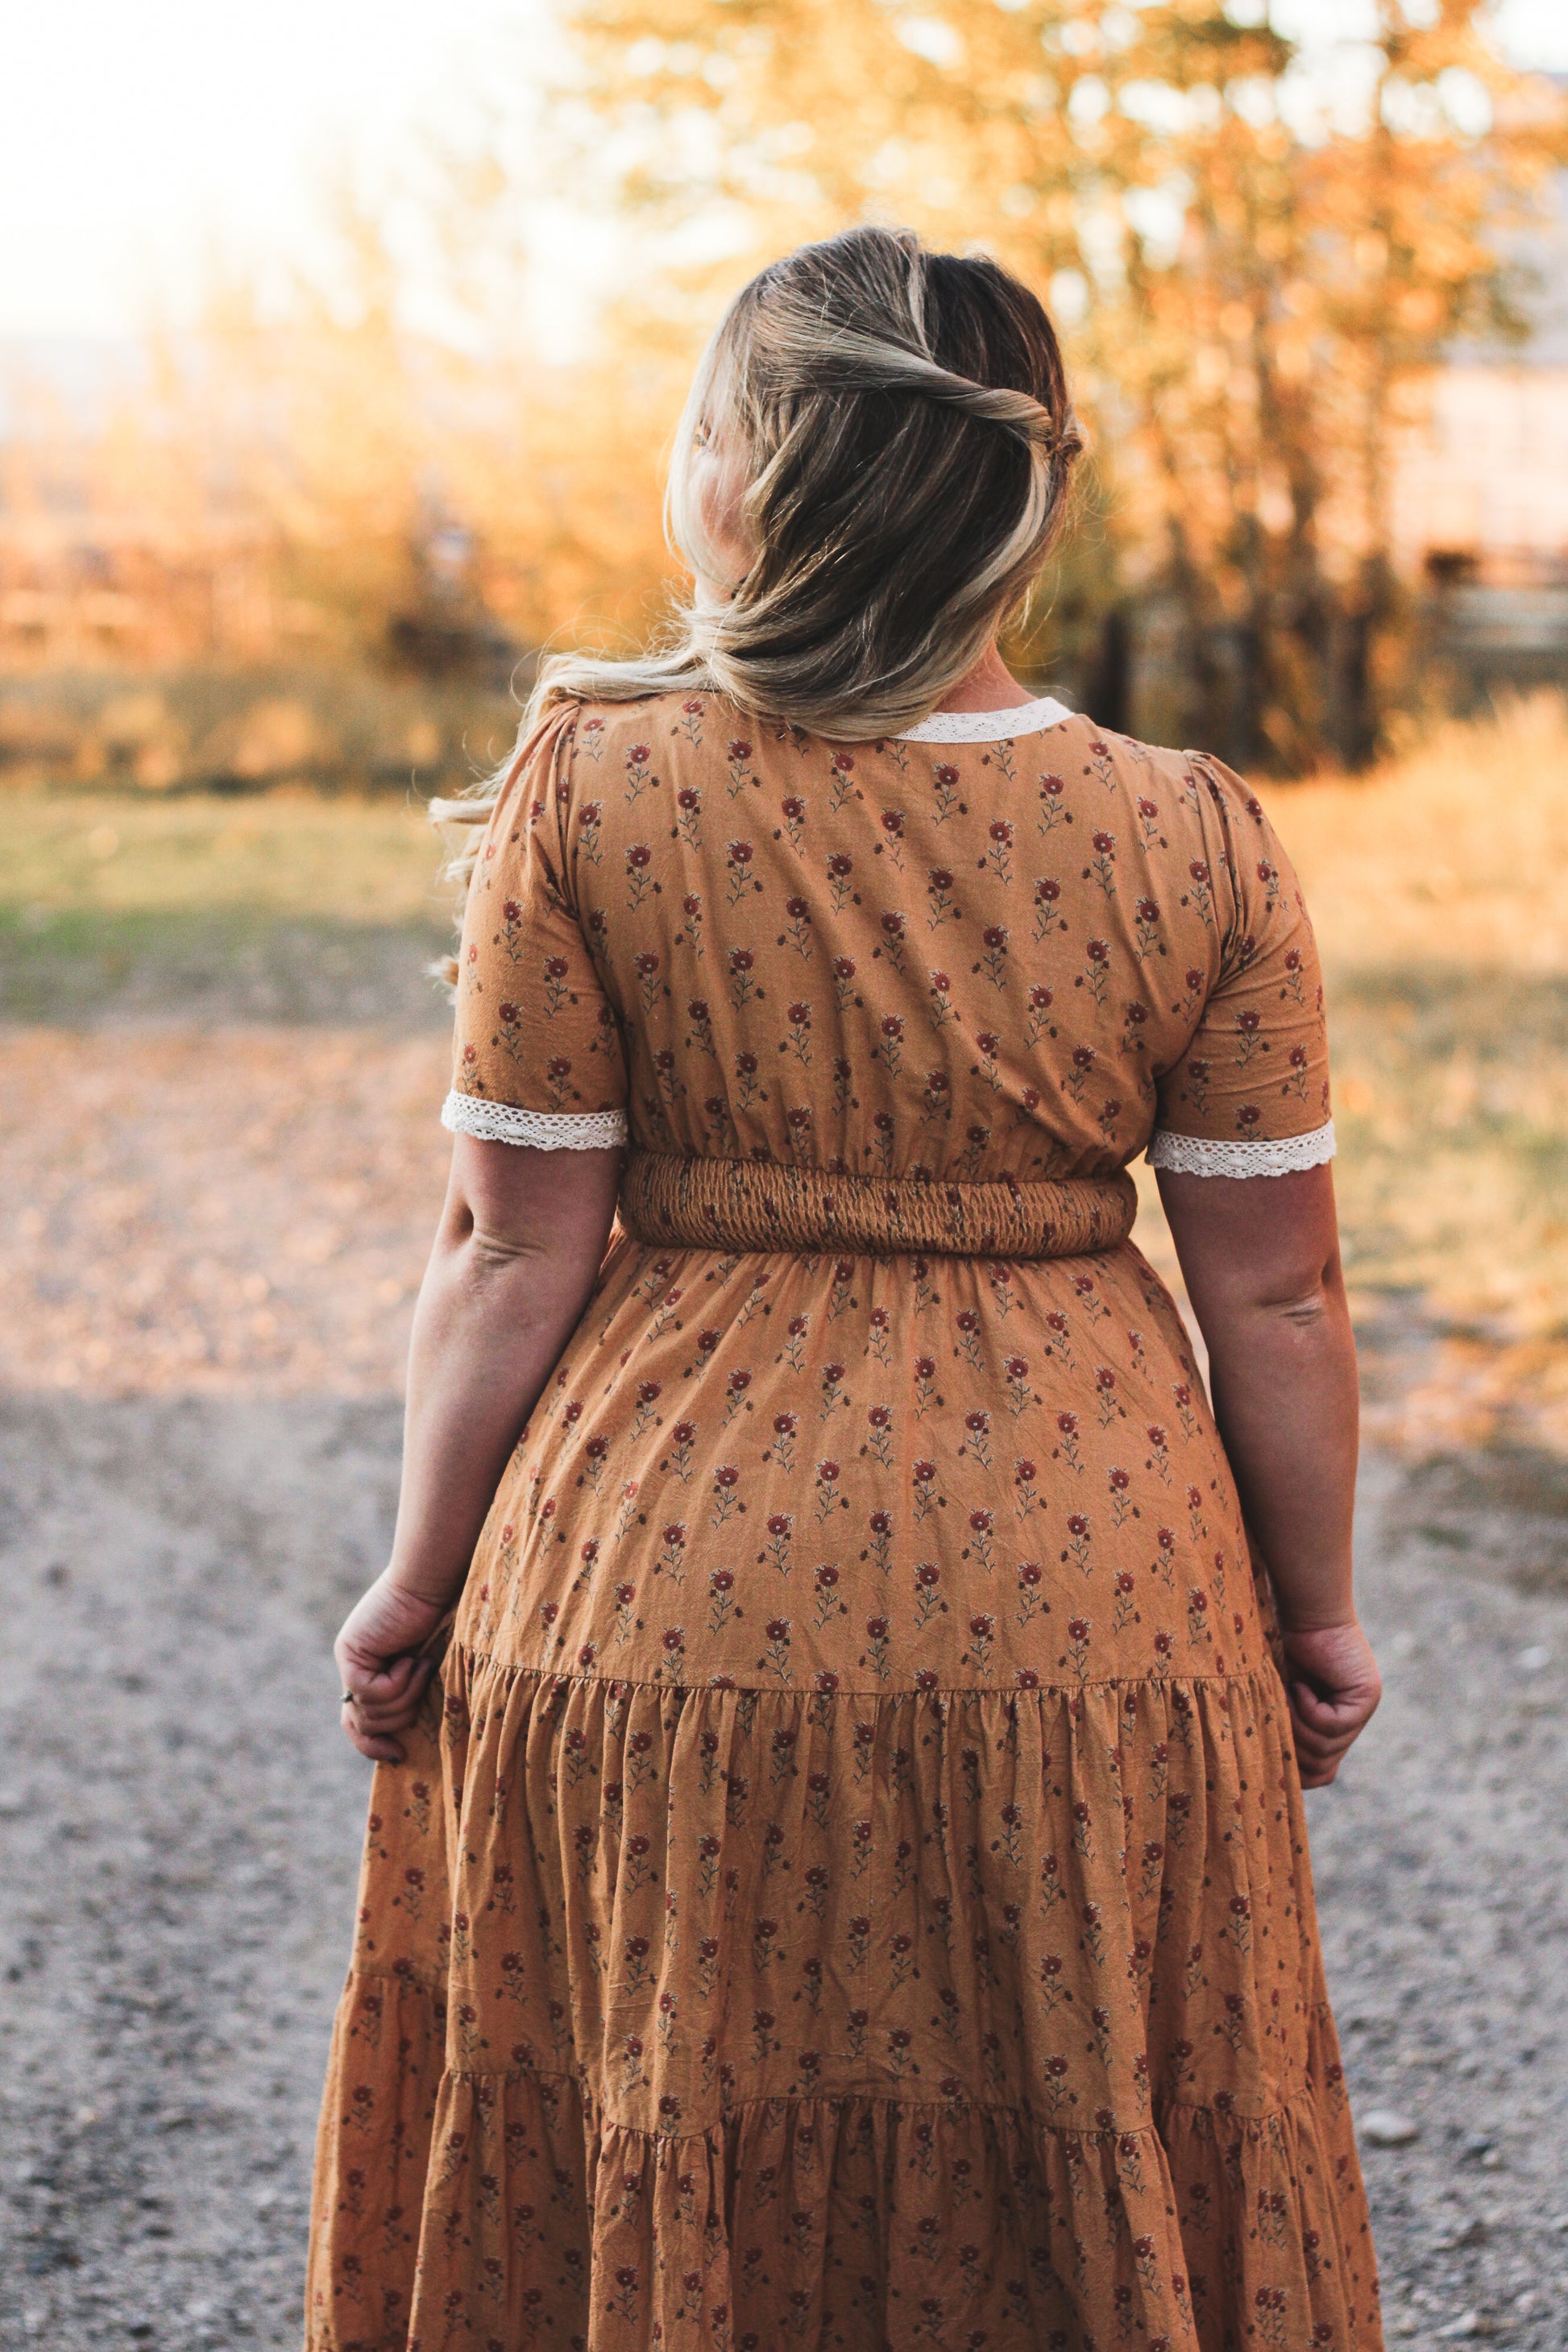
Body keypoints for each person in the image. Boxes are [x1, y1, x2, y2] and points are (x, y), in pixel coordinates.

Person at [305, 226, 1384, 2352]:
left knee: (659, 2110)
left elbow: (510, 1249)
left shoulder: (592, 788)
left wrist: (417, 1583)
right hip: (1090, 1599)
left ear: (740, 479)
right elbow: (1276, 1299)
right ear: (1024, 504)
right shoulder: (1189, 836)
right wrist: (1316, 1608)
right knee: (1073, 2109)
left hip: (646, 1597)